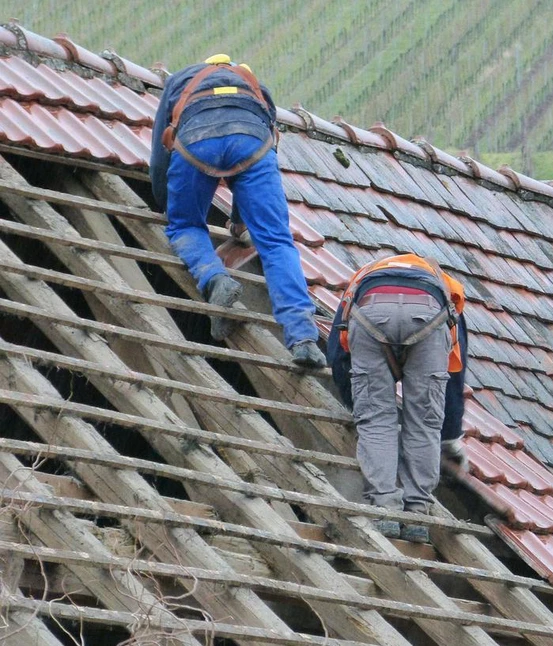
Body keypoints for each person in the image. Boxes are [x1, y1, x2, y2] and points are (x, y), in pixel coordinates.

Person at [150, 54, 325, 368]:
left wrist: (168, 205)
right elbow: (261, 152)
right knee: (275, 242)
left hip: (195, 141)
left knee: (186, 227)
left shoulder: (180, 81)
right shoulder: (254, 85)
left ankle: (215, 279)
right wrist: (240, 223)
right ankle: (304, 339)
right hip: (252, 144)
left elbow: (160, 154)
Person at [327, 254, 469, 542]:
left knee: (377, 421)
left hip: (370, 312)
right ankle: (416, 513)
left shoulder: (360, 281)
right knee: (424, 422)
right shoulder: (448, 287)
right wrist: (451, 433)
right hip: (430, 314)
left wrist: (357, 405)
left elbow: (338, 354)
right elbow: (455, 367)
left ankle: (385, 510)